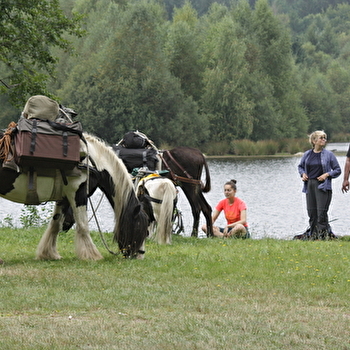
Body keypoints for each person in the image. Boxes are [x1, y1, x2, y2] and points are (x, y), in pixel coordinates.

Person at [297, 130, 341, 240]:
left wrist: (327, 174)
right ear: (314, 141)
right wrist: (303, 174)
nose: (324, 140)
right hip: (309, 186)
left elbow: (337, 170)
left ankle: (323, 236)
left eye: (324, 138)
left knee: (321, 213)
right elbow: (300, 167)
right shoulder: (307, 154)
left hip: (323, 187)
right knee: (311, 212)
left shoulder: (329, 155)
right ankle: (313, 235)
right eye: (321, 138)